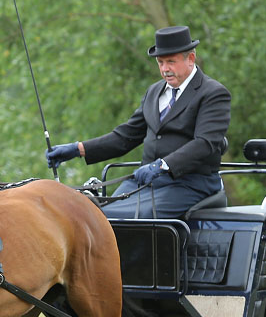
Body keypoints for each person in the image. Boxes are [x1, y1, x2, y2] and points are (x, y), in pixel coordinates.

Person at [46, 25, 230, 219]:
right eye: (160, 62)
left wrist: (163, 165)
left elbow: (204, 143)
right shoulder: (154, 92)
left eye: (171, 62)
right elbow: (125, 137)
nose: (165, 69)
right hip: (145, 182)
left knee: (141, 217)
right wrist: (78, 149)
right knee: (98, 215)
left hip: (190, 183)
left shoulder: (212, 93)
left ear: (190, 59)